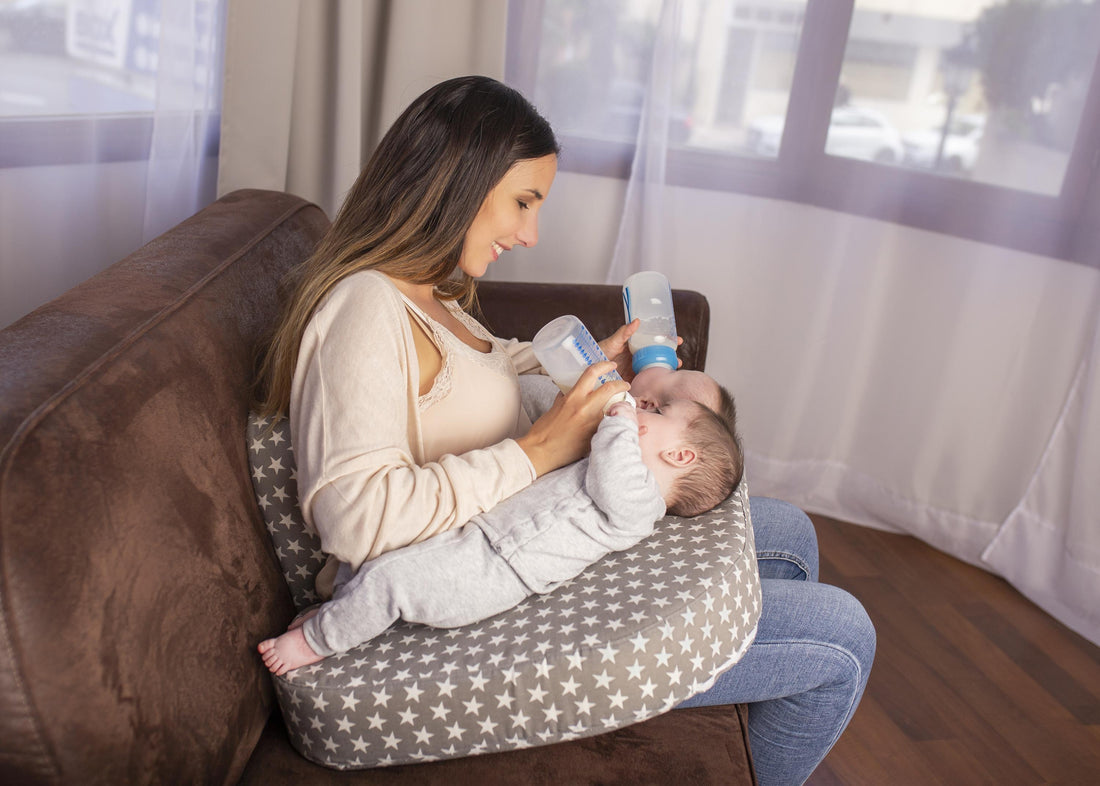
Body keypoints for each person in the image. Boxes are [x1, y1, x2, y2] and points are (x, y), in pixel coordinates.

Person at [255, 75, 874, 786]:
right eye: (524, 202)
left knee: (790, 534)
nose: (530, 234)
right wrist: (537, 449)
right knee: (844, 637)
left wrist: (589, 367)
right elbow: (355, 522)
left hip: (542, 523)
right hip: (465, 587)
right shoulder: (366, 307)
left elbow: (490, 366)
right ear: (458, 182)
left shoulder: (432, 290)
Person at [258, 397, 742, 676]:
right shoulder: (622, 467)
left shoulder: (640, 505)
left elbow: (611, 476)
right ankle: (341, 609)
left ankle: (318, 643)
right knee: (383, 557)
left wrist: (619, 416)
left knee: (393, 585)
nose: (644, 408)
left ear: (680, 457)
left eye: (657, 413)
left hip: (495, 571)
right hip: (483, 537)